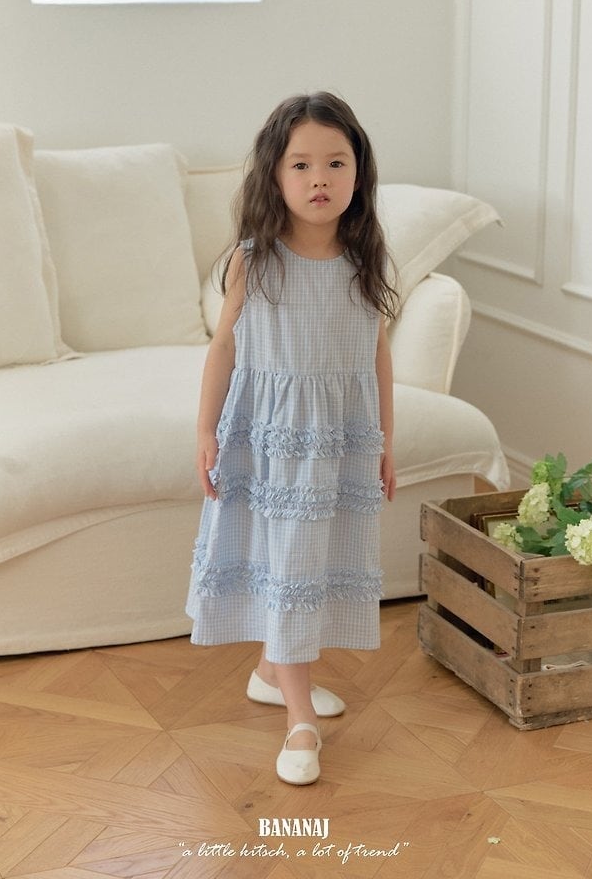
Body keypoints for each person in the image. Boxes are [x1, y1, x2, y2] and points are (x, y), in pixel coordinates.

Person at [186, 91, 398, 785]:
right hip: (273, 443)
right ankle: (300, 718)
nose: (319, 179)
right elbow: (224, 348)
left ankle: (271, 673)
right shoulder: (256, 260)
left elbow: (376, 355)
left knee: (303, 565)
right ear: (274, 175)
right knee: (292, 568)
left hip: (337, 443)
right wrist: (206, 430)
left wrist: (384, 442)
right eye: (301, 164)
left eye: (336, 163)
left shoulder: (364, 261)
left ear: (358, 173)